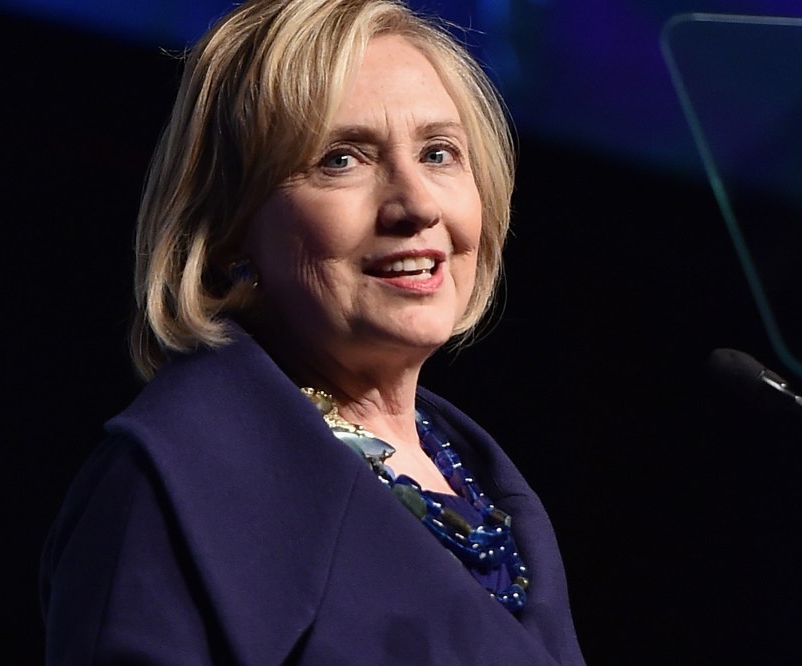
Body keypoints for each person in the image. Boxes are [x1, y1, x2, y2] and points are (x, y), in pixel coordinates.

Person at [40, 0, 585, 663]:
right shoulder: (173, 479)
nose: (417, 205)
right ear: (231, 227)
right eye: (342, 160)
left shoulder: (483, 479)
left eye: (439, 152)